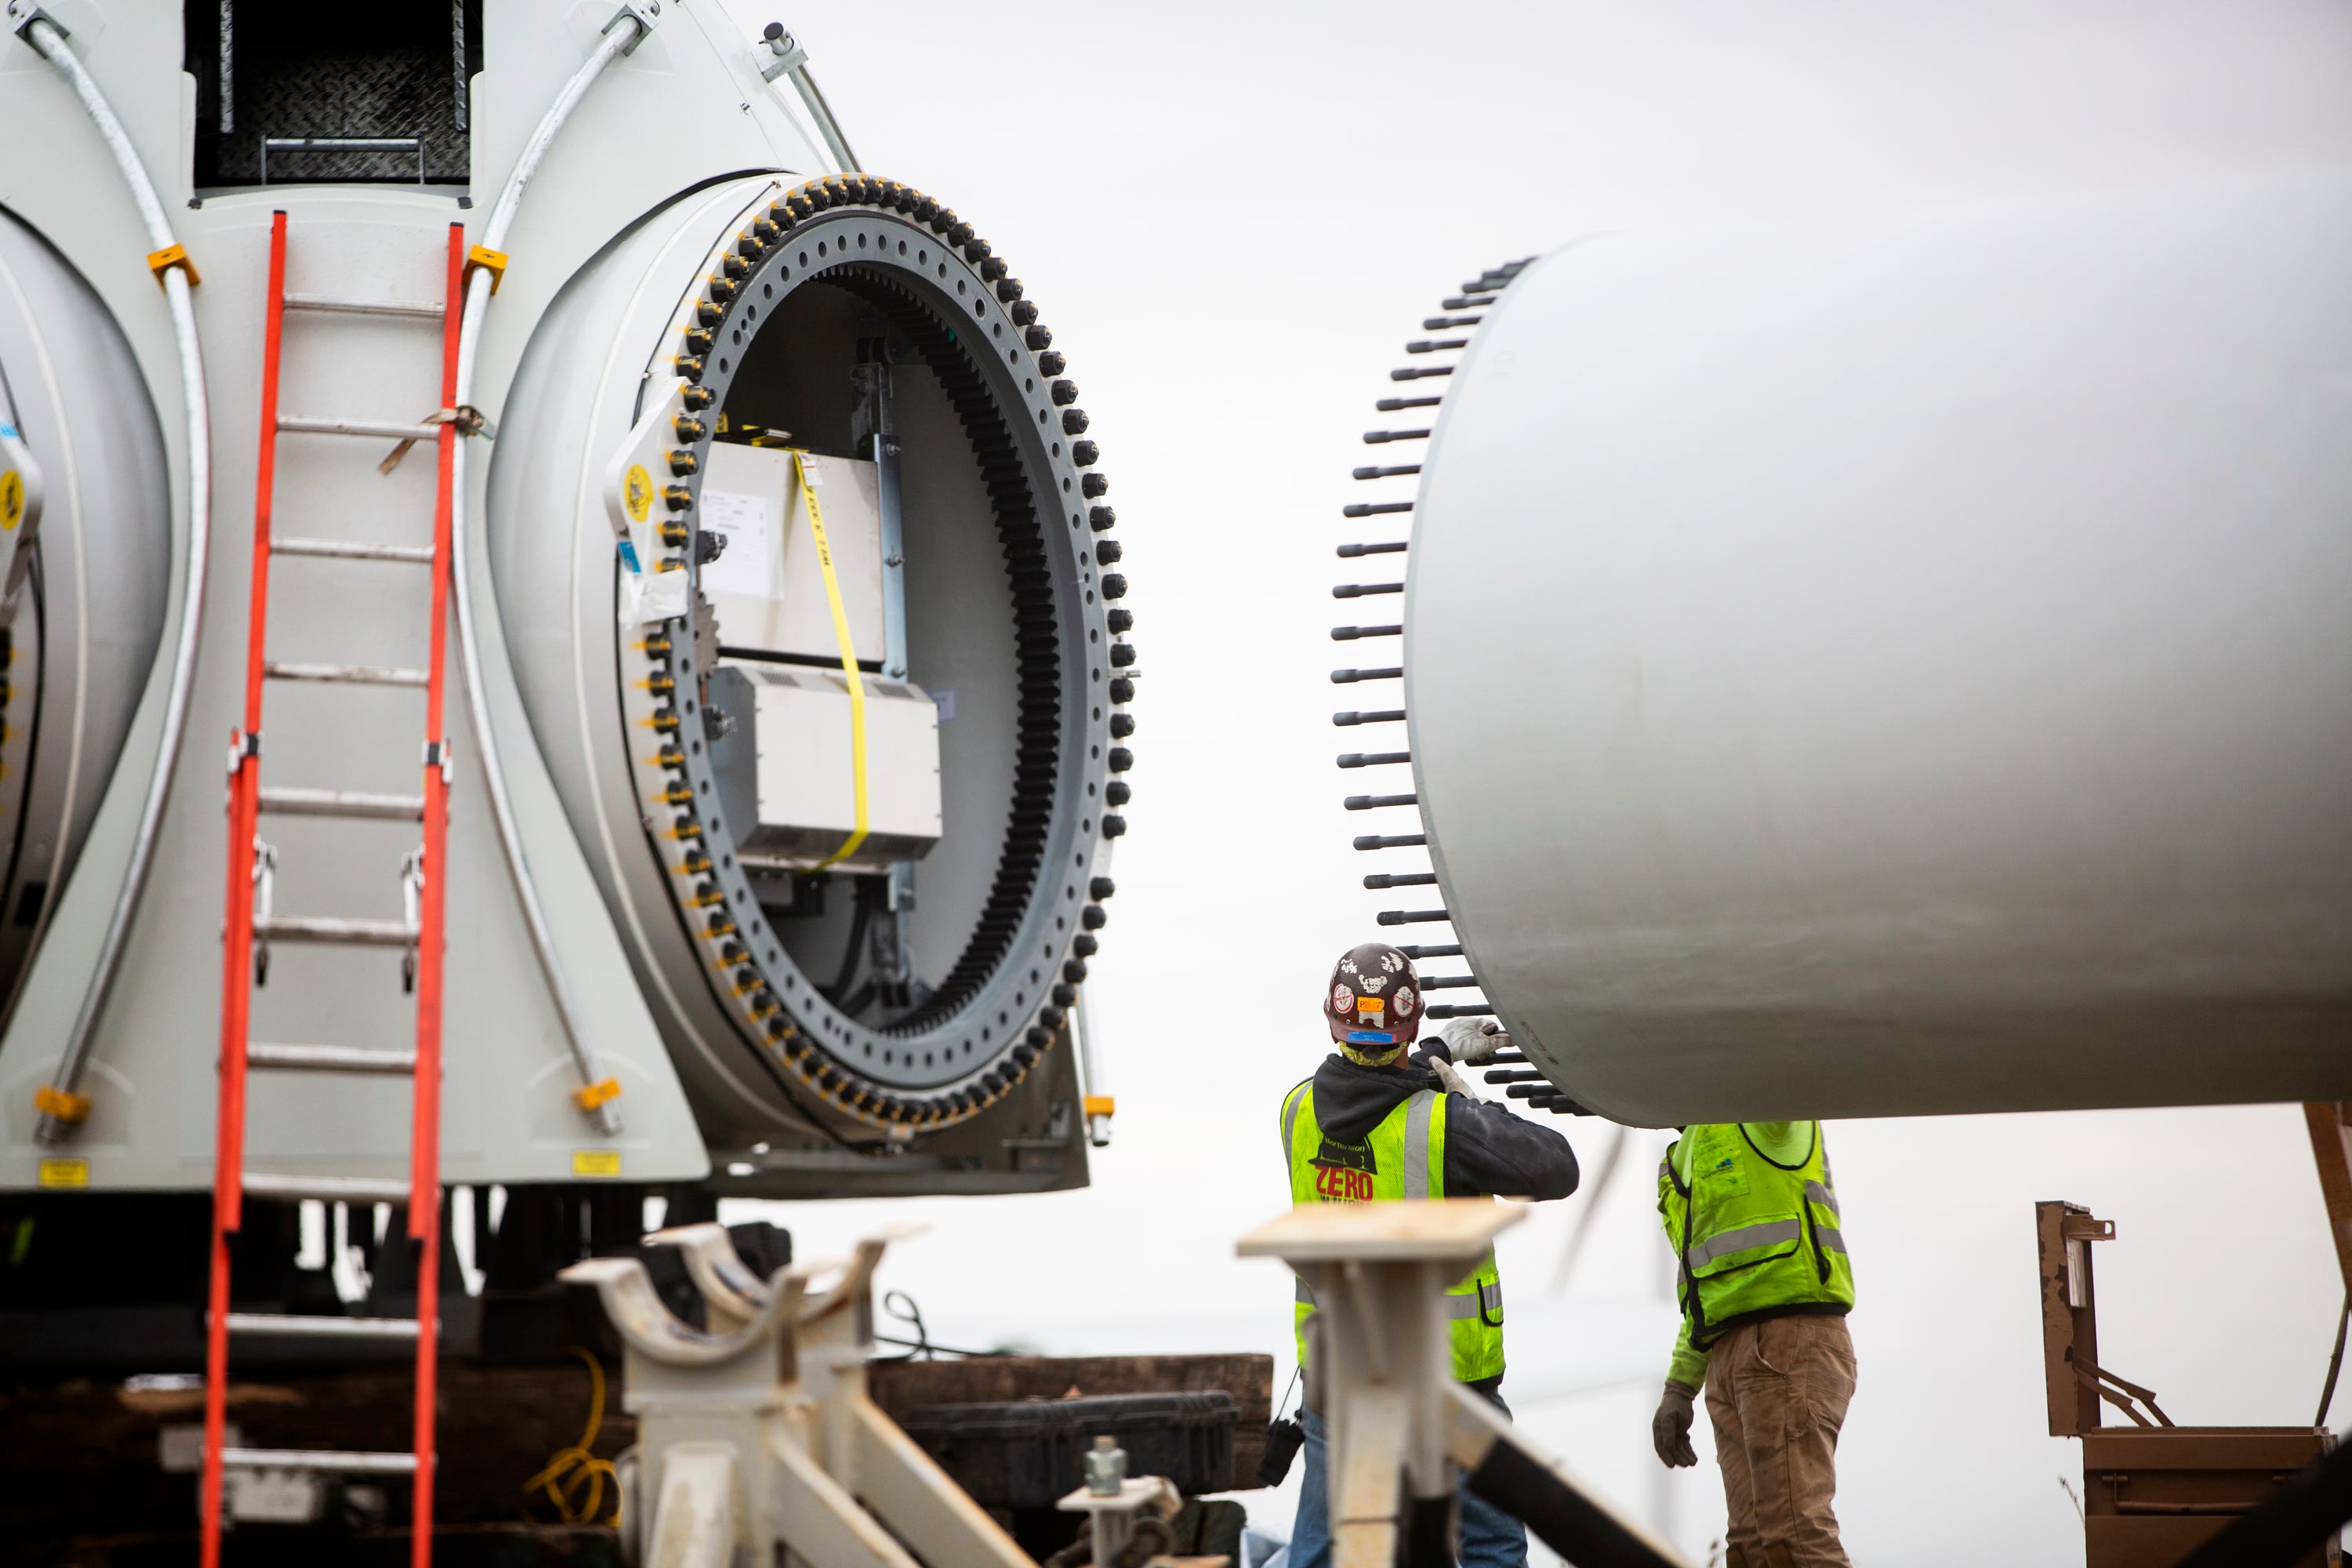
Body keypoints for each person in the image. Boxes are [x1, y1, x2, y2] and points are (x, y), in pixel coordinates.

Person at [1281, 942, 1580, 1568]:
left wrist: (1431, 1059)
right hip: (1446, 1384)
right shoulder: (1448, 1125)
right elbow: (1558, 1169)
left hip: (1341, 1376)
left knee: (1325, 1550)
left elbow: (1367, 1094)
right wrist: (1464, 1099)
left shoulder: (1297, 1110)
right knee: (1488, 1549)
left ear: (1332, 1022)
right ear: (1410, 1023)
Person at [1651, 1122, 1857, 1568]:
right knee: (1750, 1546)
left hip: (1787, 1340)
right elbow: (1710, 1294)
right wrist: (1679, 1387)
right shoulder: (1686, 1153)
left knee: (1794, 1536)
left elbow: (1783, 1062)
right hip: (1731, 1350)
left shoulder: (1762, 1116)